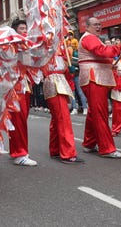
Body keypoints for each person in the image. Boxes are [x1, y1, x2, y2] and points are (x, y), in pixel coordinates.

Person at [78, 17, 121, 158]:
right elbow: (103, 51)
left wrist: (109, 62)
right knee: (100, 113)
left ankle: (89, 143)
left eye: (100, 24)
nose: (98, 26)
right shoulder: (89, 38)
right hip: (94, 78)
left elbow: (100, 55)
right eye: (95, 24)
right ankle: (107, 148)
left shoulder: (93, 38)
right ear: (87, 26)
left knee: (94, 112)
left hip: (95, 78)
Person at [9, 18, 39, 166]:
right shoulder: (10, 45)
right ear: (14, 30)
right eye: (21, 28)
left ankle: (16, 150)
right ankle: (19, 153)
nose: (25, 31)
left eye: (25, 28)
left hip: (25, 84)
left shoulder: (26, 45)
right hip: (15, 86)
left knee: (21, 118)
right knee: (18, 119)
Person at [44, 47, 81, 163]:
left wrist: (70, 70)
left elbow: (67, 74)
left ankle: (55, 149)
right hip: (52, 83)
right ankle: (68, 153)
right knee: (63, 118)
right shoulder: (42, 50)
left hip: (61, 82)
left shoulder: (61, 50)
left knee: (57, 119)